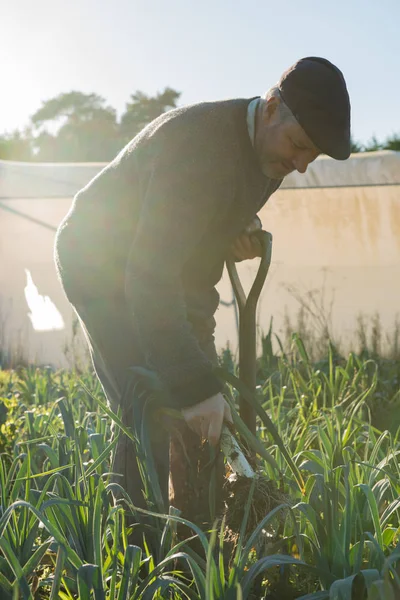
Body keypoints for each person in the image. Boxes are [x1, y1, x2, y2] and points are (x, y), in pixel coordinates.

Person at [54, 56, 351, 524]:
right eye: (298, 146)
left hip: (163, 272)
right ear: (271, 107)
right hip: (101, 262)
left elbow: (193, 244)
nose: (298, 165)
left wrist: (239, 230)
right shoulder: (200, 149)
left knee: (200, 403)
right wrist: (194, 385)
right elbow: (149, 275)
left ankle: (197, 529)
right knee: (149, 398)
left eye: (309, 157)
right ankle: (136, 547)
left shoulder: (267, 155)